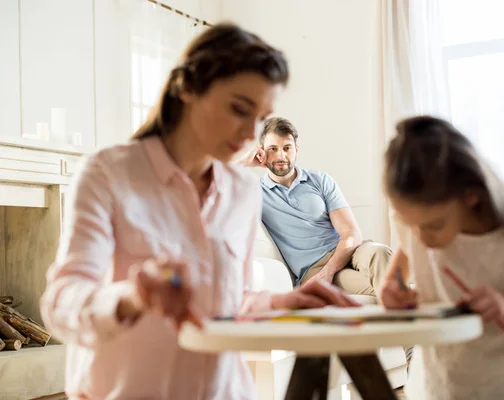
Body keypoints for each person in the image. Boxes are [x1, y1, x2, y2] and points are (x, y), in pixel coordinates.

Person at [40, 23, 357, 400]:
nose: (249, 132)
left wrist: (279, 303)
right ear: (188, 88)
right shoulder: (108, 174)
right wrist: (133, 298)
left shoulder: (241, 191)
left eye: (260, 117)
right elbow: (62, 302)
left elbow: (229, 302)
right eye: (238, 108)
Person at [379, 116, 504, 399]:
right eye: (408, 223)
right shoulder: (417, 225)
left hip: (498, 391)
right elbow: (397, 273)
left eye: (434, 225)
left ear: (471, 196)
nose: (421, 239)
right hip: (429, 389)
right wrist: (390, 290)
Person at [239, 117, 392, 297]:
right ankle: (403, 315)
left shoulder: (320, 181)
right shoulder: (255, 192)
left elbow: (351, 234)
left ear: (296, 149)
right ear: (261, 152)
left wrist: (329, 272)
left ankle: (402, 311)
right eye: (273, 149)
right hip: (314, 268)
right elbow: (209, 185)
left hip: (350, 251)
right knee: (383, 287)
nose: (281, 156)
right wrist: (243, 163)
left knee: (381, 252)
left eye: (287, 148)